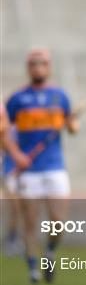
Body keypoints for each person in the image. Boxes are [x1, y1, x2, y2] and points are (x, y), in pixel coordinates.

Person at [6, 47, 79, 283]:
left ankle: (49, 252)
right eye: (34, 63)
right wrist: (16, 154)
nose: (38, 67)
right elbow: (3, 131)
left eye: (43, 63)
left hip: (55, 167)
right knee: (30, 222)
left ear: (49, 67)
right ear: (28, 68)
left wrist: (72, 124)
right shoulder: (17, 99)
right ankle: (33, 268)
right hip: (29, 171)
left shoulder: (60, 97)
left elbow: (72, 126)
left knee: (58, 222)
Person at [1, 103, 29, 256]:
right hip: (8, 171)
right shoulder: (7, 129)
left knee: (22, 208)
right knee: (15, 207)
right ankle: (11, 240)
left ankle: (17, 239)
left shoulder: (22, 129)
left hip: (20, 172)